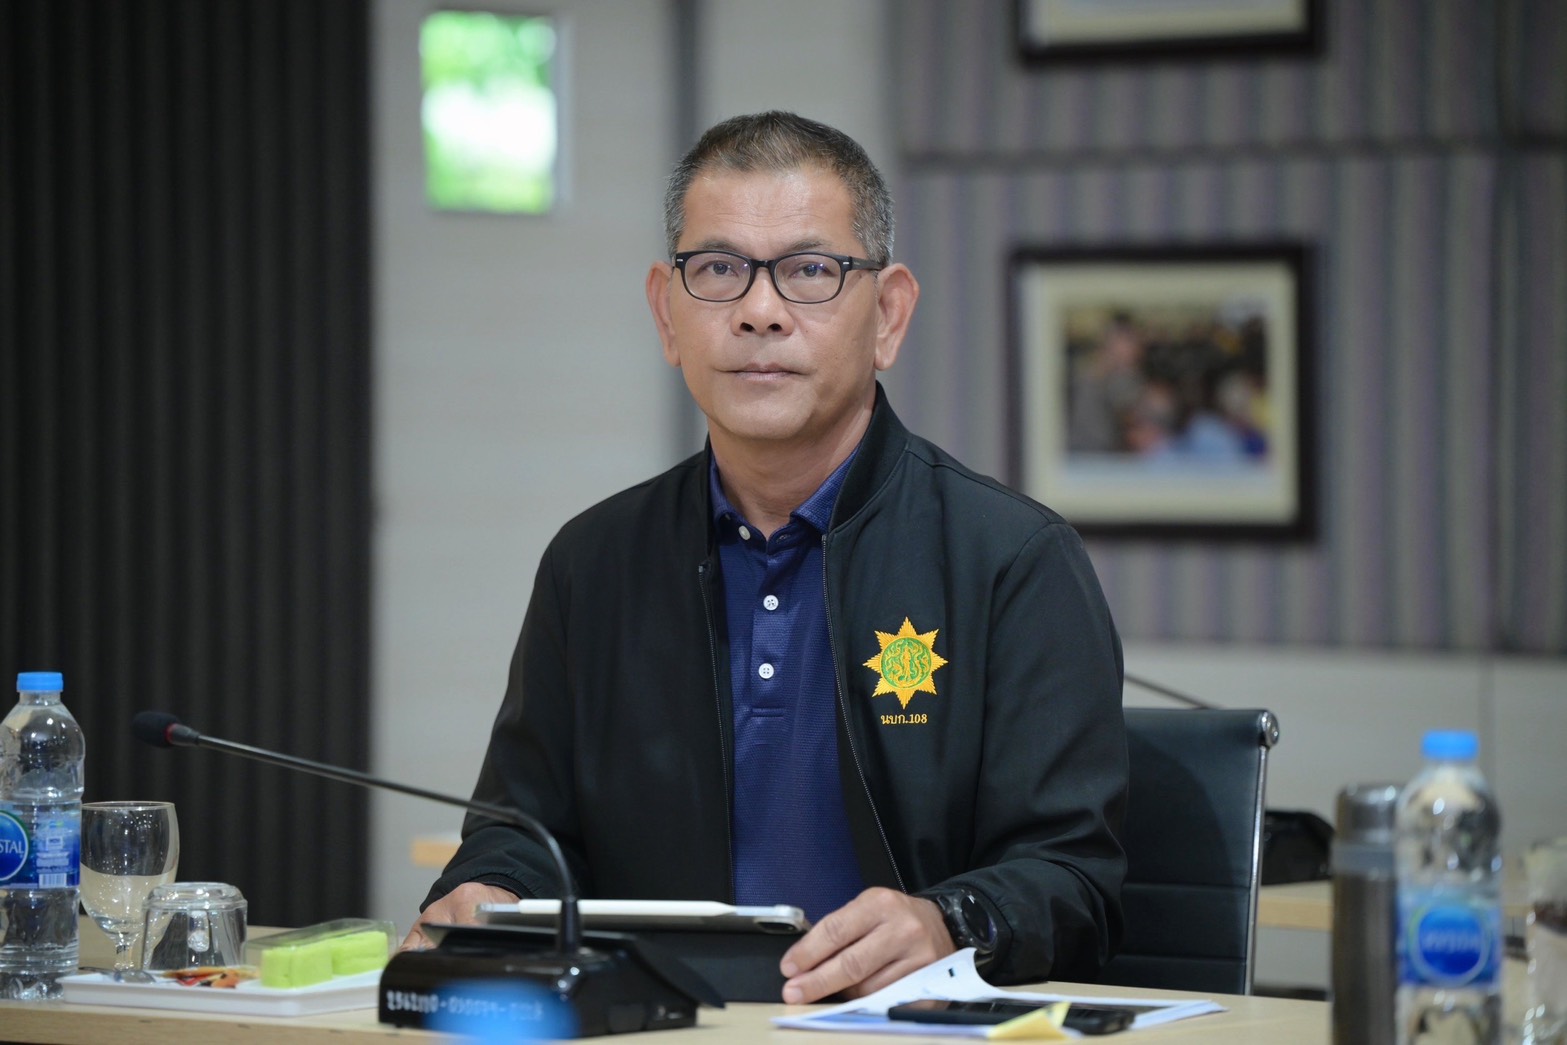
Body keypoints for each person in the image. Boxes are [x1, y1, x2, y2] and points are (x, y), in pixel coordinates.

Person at [403, 111, 1128, 1005]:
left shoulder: (1011, 559)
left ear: (888, 314)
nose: (758, 310)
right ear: (666, 314)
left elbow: (1073, 879)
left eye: (809, 271)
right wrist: (490, 889)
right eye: (717, 270)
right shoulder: (593, 563)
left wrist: (951, 920)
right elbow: (522, 828)